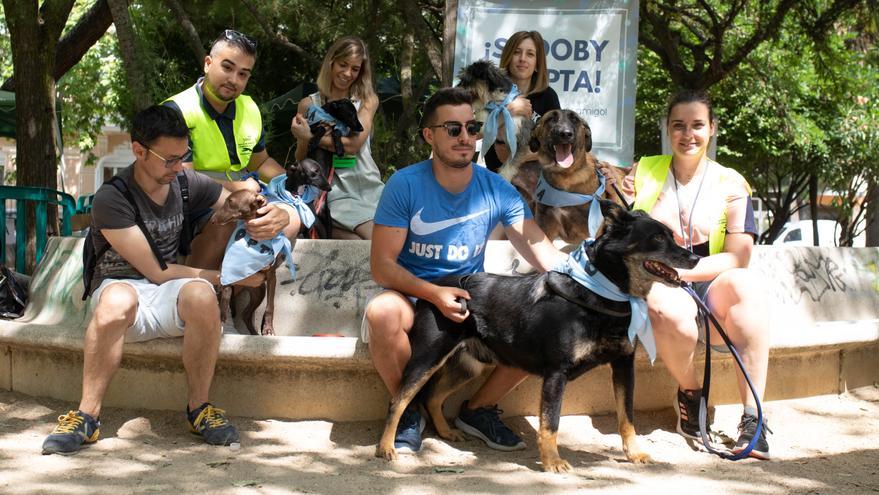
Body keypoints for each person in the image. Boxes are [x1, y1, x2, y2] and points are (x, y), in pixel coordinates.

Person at [363, 87, 564, 453]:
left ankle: (478, 409)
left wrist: (579, 280)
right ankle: (409, 411)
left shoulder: (496, 188)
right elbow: (382, 266)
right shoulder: (404, 183)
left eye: (472, 128)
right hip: (414, 294)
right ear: (429, 135)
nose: (465, 138)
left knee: (543, 323)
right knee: (381, 312)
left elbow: (535, 245)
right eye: (452, 129)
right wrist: (433, 294)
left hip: (467, 298)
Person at [41, 105, 238, 455]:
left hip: (166, 294)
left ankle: (200, 409)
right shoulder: (111, 198)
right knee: (121, 299)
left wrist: (263, 209)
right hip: (121, 290)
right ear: (138, 150)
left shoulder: (183, 181)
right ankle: (87, 417)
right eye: (170, 160)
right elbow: (155, 271)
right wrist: (227, 277)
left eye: (184, 157)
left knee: (202, 296)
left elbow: (233, 198)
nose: (179, 167)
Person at [619, 89, 771, 459]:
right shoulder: (643, 170)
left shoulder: (732, 183)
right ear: (668, 130)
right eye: (679, 126)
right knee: (663, 307)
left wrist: (687, 274)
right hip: (658, 274)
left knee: (746, 286)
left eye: (697, 125)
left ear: (713, 129)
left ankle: (754, 419)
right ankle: (691, 394)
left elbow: (739, 256)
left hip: (710, 272)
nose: (688, 135)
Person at [165, 30, 301, 271]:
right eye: (227, 68)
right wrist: (239, 188)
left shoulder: (249, 107)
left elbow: (260, 162)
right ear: (208, 64)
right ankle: (192, 292)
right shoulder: (177, 110)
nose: (234, 79)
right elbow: (180, 176)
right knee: (228, 221)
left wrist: (290, 185)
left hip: (242, 196)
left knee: (289, 218)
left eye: (243, 74)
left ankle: (239, 298)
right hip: (190, 200)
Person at [290, 36, 385, 240]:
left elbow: (352, 146)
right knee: (373, 244)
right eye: (343, 65)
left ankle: (329, 230)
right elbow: (300, 157)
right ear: (331, 62)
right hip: (334, 190)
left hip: (369, 186)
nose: (348, 73)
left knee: (386, 243)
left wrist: (311, 137)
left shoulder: (368, 100)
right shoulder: (308, 104)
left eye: (355, 68)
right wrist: (303, 138)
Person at [485, 30, 561, 171]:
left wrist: (524, 156)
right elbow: (474, 133)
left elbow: (557, 144)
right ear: (508, 57)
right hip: (495, 177)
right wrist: (509, 111)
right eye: (516, 52)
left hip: (535, 181)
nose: (522, 59)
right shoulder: (492, 92)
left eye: (530, 54)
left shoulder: (548, 96)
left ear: (537, 62)